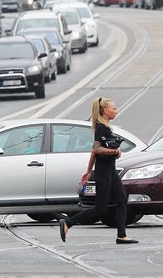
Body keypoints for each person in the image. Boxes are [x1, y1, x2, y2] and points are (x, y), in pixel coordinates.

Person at [59, 97, 138, 244]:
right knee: (100, 208)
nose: (116, 111)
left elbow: (94, 151)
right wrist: (114, 152)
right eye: (114, 109)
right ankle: (68, 222)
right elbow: (97, 149)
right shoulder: (102, 127)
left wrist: (88, 170)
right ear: (105, 110)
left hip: (110, 171)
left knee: (122, 200)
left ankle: (121, 235)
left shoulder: (105, 127)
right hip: (104, 172)